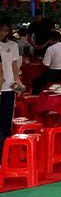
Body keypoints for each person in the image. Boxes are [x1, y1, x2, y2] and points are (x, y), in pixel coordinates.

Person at [0, 18, 23, 152]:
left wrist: (17, 81)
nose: (2, 33)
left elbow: (15, 65)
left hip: (9, 85)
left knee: (7, 115)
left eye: (5, 30)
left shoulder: (13, 45)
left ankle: (6, 143)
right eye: (1, 30)